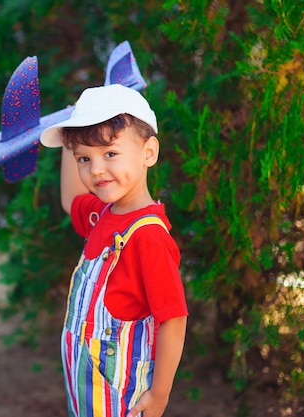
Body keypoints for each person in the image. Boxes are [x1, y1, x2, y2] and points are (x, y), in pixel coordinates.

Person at [40, 84, 188, 417]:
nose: (96, 170)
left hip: (121, 402)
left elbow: (173, 319)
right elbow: (71, 200)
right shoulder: (103, 215)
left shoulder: (148, 237)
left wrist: (160, 394)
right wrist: (70, 132)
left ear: (149, 153)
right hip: (85, 398)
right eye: (84, 158)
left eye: (110, 154)